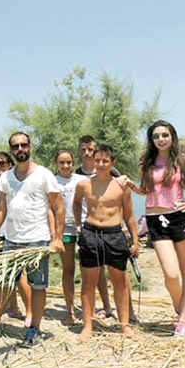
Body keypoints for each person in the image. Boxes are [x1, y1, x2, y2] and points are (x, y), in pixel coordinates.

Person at [124, 120, 185, 336]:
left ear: (172, 137)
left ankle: (183, 321)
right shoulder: (146, 162)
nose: (161, 139)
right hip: (156, 221)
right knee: (171, 275)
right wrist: (130, 185)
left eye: (165, 135)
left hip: (181, 219)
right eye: (156, 136)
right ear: (151, 140)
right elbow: (147, 191)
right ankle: (180, 308)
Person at [0, 132, 64, 348]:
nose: (20, 149)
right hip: (12, 240)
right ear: (12, 150)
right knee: (4, 283)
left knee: (38, 286)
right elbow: (1, 210)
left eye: (24, 145)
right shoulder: (6, 177)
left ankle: (34, 329)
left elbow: (59, 207)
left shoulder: (44, 175)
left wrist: (57, 238)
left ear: (30, 147)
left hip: (38, 240)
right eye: (16, 146)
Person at [73, 145, 139, 341]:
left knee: (120, 283)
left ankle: (124, 325)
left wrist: (135, 241)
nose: (100, 164)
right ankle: (87, 326)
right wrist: (78, 225)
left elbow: (129, 215)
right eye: (97, 160)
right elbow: (76, 203)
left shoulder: (121, 185)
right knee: (88, 283)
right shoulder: (84, 185)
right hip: (90, 233)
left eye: (105, 161)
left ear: (112, 163)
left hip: (114, 234)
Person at [0, 152, 32, 323]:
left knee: (20, 277)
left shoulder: (16, 184)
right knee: (5, 277)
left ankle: (30, 312)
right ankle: (13, 307)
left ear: (10, 164)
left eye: (2, 163)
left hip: (13, 235)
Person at [75, 135, 116, 319]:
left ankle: (128, 313)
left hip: (111, 229)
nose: (87, 153)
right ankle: (102, 308)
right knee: (94, 273)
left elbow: (122, 195)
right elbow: (74, 201)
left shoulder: (110, 170)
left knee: (118, 274)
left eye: (90, 149)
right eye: (83, 149)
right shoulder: (77, 174)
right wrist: (77, 224)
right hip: (87, 229)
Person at [53, 149, 87, 325]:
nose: (66, 166)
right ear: (56, 164)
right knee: (68, 269)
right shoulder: (53, 181)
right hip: (64, 231)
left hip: (84, 228)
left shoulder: (81, 180)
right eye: (62, 162)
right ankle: (69, 310)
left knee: (88, 271)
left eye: (68, 162)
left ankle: (88, 310)